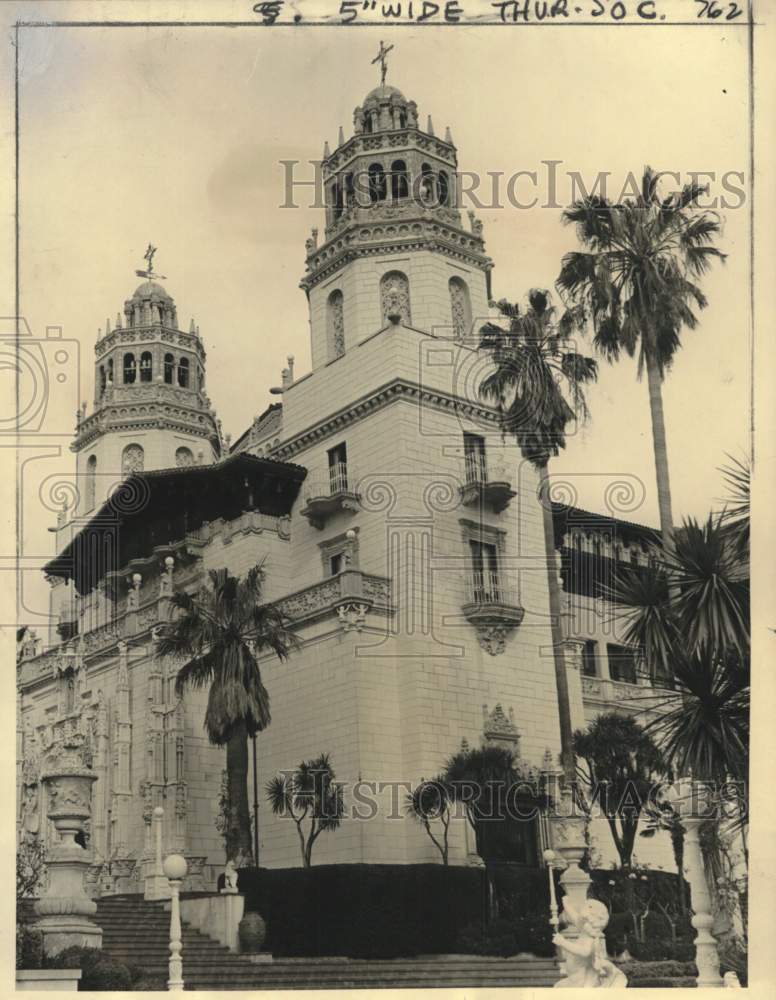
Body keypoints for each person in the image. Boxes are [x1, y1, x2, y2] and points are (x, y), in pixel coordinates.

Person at [552, 898, 627, 988]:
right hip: (575, 976)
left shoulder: (590, 940)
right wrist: (566, 904)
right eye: (582, 921)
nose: (580, 923)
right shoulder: (585, 931)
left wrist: (563, 942)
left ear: (592, 923)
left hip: (582, 979)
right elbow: (574, 917)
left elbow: (584, 952)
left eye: (584, 921)